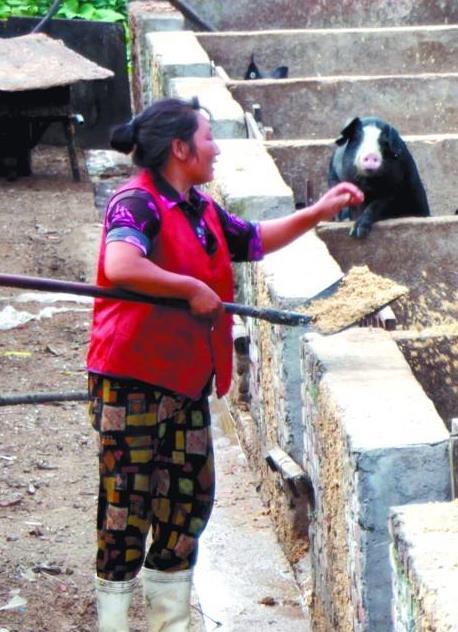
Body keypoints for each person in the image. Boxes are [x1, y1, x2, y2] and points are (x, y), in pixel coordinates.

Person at [87, 97, 363, 632]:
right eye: (208, 138)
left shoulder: (199, 207)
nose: (215, 149)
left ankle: (171, 622)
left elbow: (253, 241)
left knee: (187, 500)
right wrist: (189, 287)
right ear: (181, 148)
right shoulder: (135, 203)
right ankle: (115, 623)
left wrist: (317, 212)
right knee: (127, 505)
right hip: (132, 381)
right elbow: (121, 264)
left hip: (185, 381)